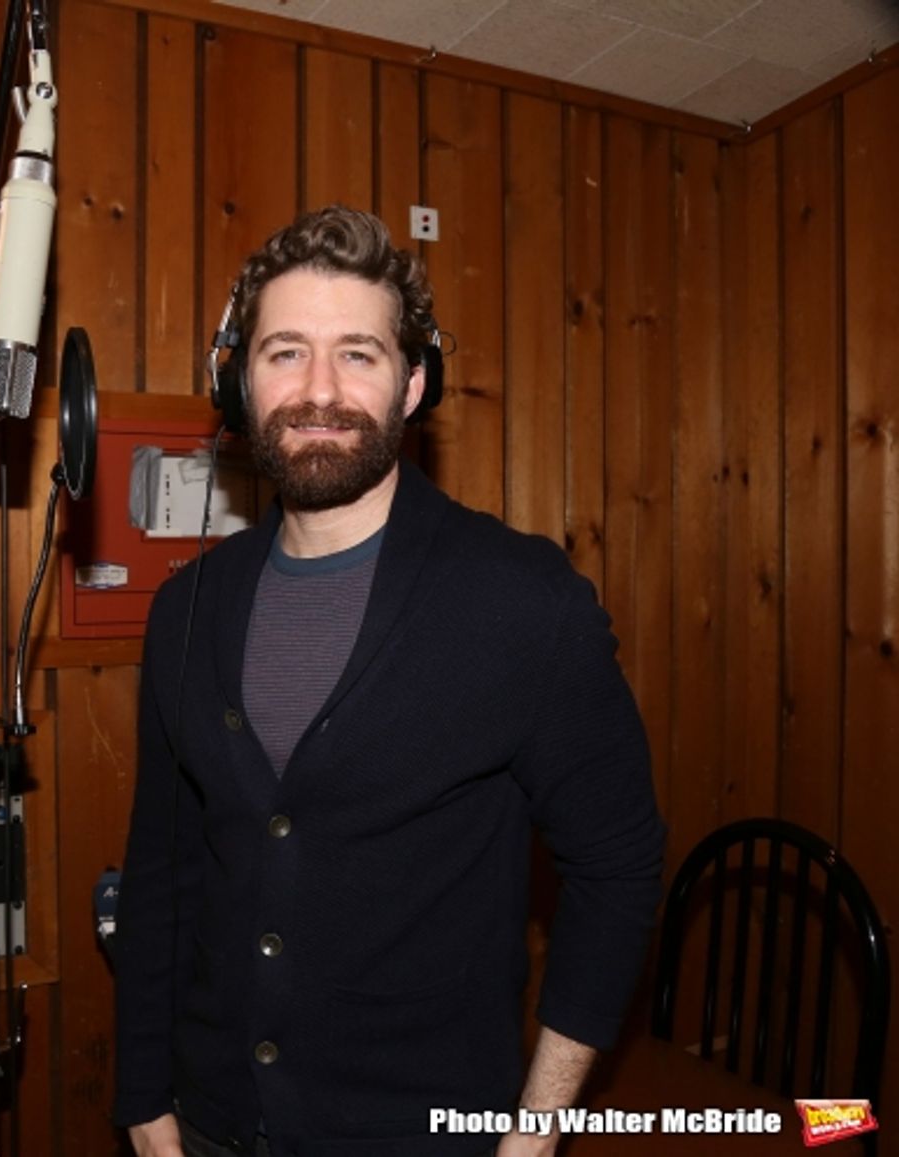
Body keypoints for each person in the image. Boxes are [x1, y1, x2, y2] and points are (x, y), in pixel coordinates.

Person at [113, 206, 665, 1157]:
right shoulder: (185, 612)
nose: (318, 390)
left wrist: (534, 1135)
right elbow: (163, 872)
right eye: (286, 352)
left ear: (413, 385)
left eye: (357, 354)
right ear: (238, 380)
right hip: (209, 1125)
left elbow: (618, 867)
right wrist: (143, 1097)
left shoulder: (522, 600)